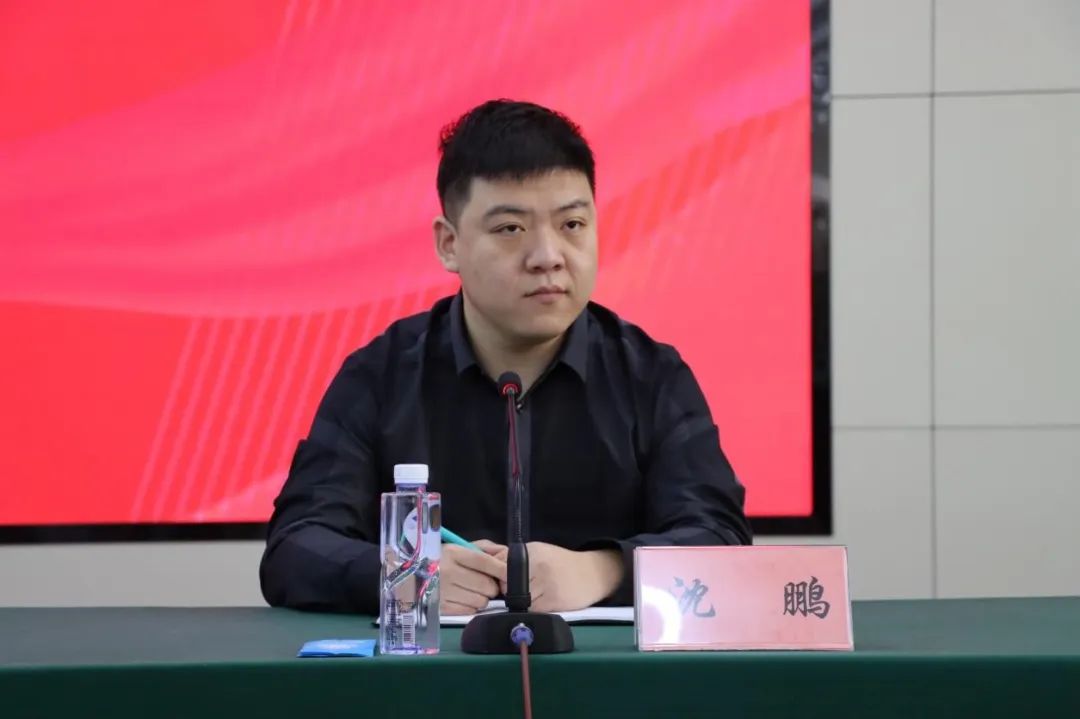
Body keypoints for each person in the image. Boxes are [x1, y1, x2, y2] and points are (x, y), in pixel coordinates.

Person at [260, 99, 752, 616]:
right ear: (449, 244)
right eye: (511, 229)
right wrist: (406, 575)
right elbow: (296, 547)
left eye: (572, 225)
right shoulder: (380, 376)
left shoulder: (650, 375)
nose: (548, 257)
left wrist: (603, 569)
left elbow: (721, 539)